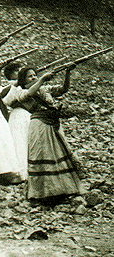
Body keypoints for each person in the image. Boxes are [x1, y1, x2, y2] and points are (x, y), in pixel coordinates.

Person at [16, 66, 84, 202]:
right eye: (30, 76)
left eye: (35, 75)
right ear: (23, 81)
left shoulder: (44, 89)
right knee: (43, 154)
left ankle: (61, 189)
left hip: (51, 124)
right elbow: (28, 94)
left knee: (57, 153)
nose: (34, 77)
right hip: (39, 125)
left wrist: (67, 73)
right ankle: (43, 193)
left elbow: (63, 89)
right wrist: (41, 80)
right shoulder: (20, 91)